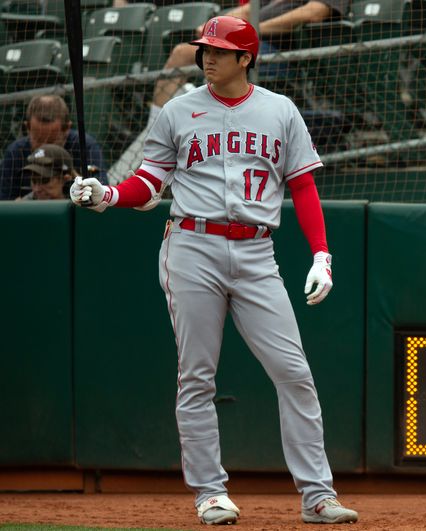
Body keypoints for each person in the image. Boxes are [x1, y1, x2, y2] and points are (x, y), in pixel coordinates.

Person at [69, 16, 358, 526]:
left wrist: (321, 254)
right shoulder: (178, 111)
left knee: (294, 373)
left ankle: (318, 494)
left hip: (256, 254)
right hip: (192, 246)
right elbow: (149, 182)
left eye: (220, 51)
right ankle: (209, 492)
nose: (208, 57)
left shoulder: (280, 110)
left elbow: (304, 188)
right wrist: (108, 195)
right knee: (196, 375)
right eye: (205, 48)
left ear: (246, 58)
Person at [108, 0, 349, 183]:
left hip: (276, 49)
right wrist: (216, 30)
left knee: (183, 56)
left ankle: (152, 139)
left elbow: (314, 12)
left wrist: (249, 35)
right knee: (185, 56)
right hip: (245, 44)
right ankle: (158, 132)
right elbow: (245, 12)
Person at [0, 95, 107, 200]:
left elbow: (102, 194)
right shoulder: (15, 153)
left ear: (66, 129)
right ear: (27, 128)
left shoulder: (84, 147)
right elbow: (5, 203)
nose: (44, 148)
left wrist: (77, 181)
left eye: (51, 142)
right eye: (39, 141)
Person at [16, 144, 80, 200]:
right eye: (34, 181)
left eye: (44, 180)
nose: (37, 189)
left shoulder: (84, 205)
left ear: (66, 179)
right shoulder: (24, 207)